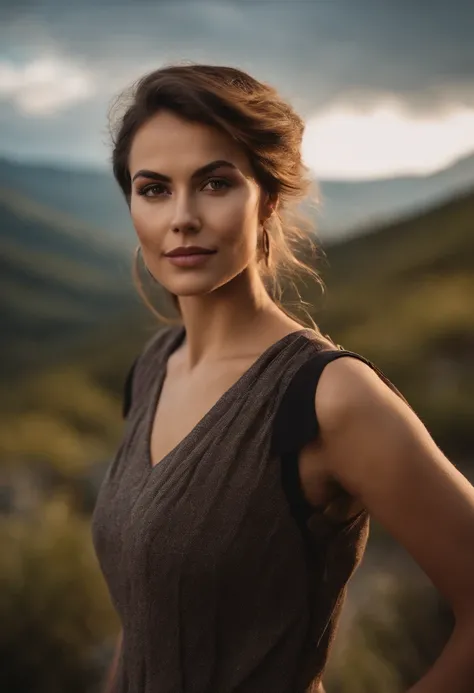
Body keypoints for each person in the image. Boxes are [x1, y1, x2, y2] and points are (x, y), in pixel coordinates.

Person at [91, 63, 474, 693]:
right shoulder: (154, 367)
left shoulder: (329, 396)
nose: (181, 217)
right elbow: (146, 617)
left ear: (268, 197)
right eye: (154, 189)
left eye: (215, 183)